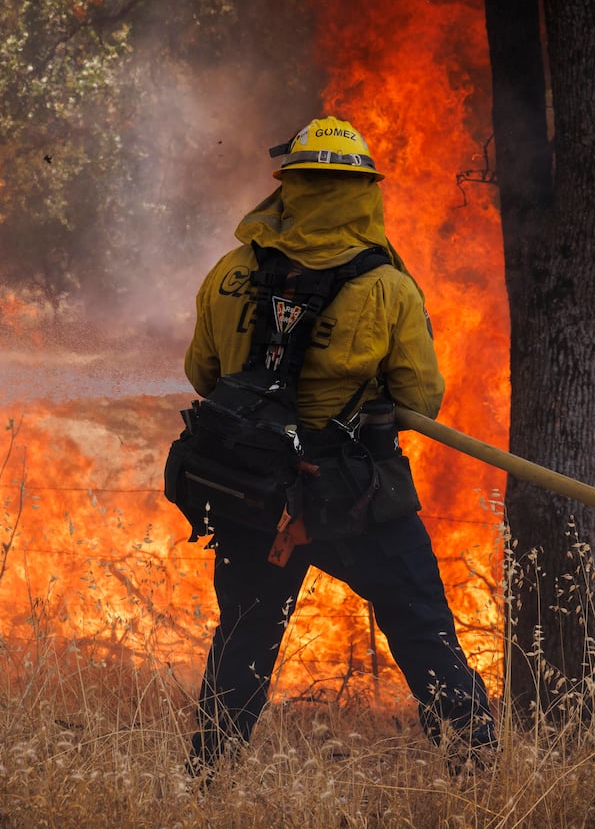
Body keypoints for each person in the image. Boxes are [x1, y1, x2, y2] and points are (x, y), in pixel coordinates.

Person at [182, 116, 496, 780]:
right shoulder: (387, 288)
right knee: (421, 626)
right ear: (364, 193)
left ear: (288, 188)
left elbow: (204, 376)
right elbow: (421, 398)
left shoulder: (230, 272)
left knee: (244, 636)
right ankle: (479, 775)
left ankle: (207, 777)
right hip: (349, 494)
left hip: (251, 489)